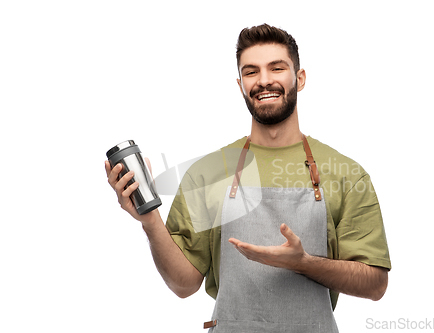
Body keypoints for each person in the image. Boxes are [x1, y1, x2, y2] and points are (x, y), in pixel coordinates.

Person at [105, 24, 391, 332]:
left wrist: (303, 263)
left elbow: (375, 285)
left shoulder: (346, 172)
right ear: (241, 84)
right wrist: (149, 220)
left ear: (300, 78)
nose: (264, 80)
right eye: (251, 72)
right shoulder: (209, 172)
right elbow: (183, 284)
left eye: (277, 68)